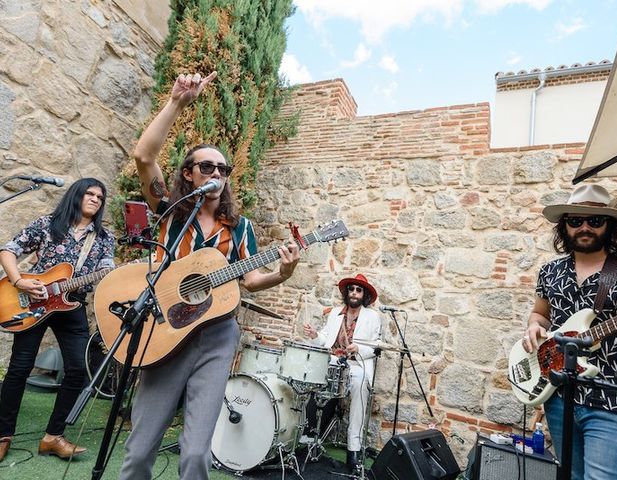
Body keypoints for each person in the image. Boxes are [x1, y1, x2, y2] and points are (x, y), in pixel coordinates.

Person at [118, 72, 300, 480]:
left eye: (223, 167)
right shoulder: (169, 210)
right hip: (165, 332)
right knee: (139, 451)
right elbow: (144, 157)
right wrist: (177, 102)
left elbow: (249, 281)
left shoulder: (240, 228)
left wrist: (282, 275)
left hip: (216, 339)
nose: (216, 172)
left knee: (197, 454)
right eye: (206, 166)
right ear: (189, 173)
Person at [523, 184, 617, 480]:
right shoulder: (551, 271)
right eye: (575, 221)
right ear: (565, 227)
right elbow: (540, 314)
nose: (584, 227)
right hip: (560, 396)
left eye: (595, 221)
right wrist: (535, 327)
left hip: (616, 401)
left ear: (609, 226)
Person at [0, 178, 115, 462]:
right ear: (76, 195)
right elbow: (8, 250)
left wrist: (124, 273)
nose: (95, 199)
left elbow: (107, 271)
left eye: (100, 197)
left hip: (71, 306)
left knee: (77, 370)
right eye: (89, 193)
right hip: (33, 302)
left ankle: (53, 436)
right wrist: (19, 281)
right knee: (19, 368)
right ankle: (3, 434)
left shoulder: (103, 239)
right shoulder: (47, 224)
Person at [303, 273, 382, 473]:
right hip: (333, 360)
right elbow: (326, 337)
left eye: (358, 290)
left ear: (363, 295)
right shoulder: (336, 312)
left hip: (357, 365)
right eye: (351, 289)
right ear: (347, 293)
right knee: (310, 377)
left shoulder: (372, 316)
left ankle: (353, 450)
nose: (354, 293)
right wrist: (315, 335)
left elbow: (376, 346)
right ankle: (309, 436)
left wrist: (359, 349)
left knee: (360, 385)